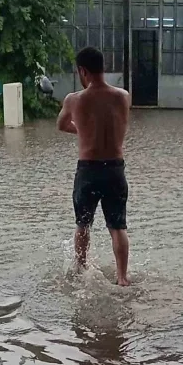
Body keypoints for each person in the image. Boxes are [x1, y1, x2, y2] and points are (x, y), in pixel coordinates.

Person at [57, 47, 131, 286]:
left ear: (82, 71)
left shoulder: (74, 99)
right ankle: (122, 277)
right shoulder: (123, 96)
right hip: (115, 169)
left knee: (83, 224)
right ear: (104, 68)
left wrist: (82, 130)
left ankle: (80, 270)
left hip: (88, 169)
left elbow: (61, 124)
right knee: (117, 226)